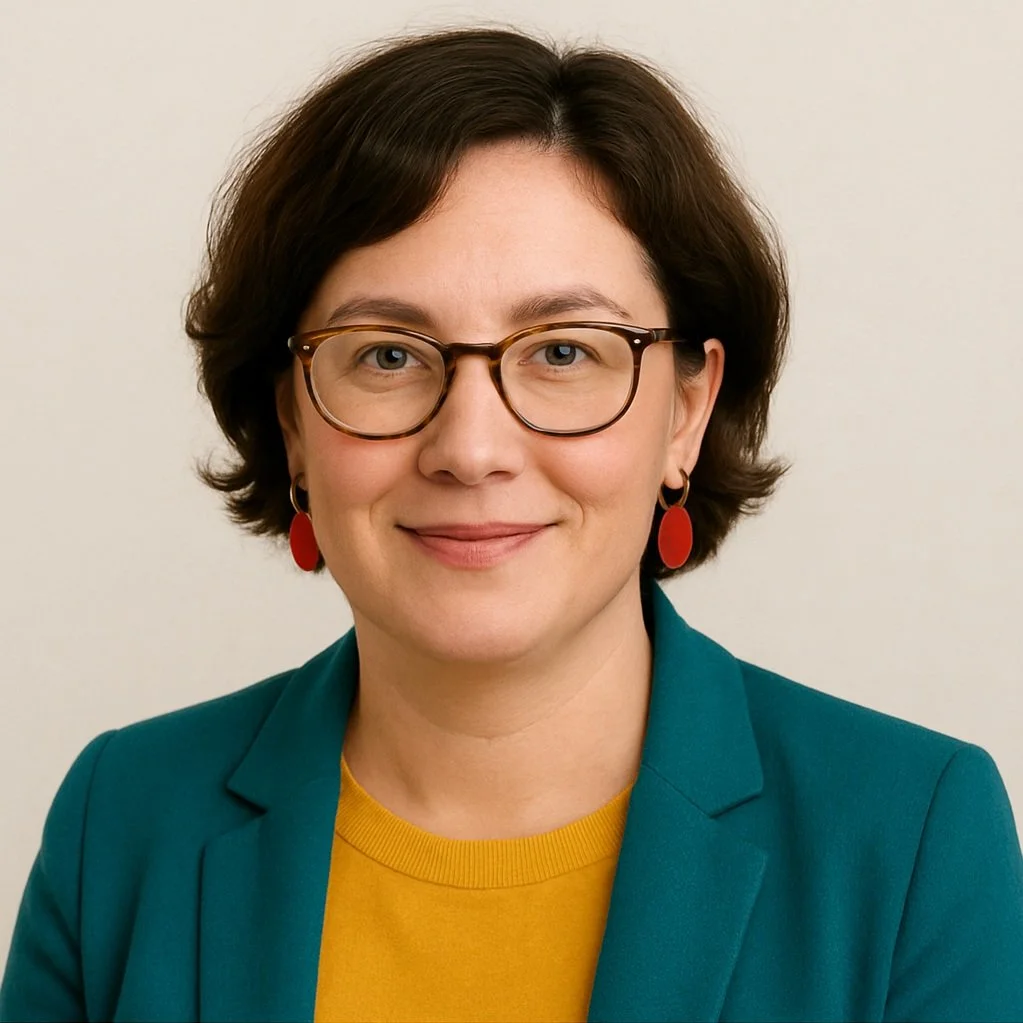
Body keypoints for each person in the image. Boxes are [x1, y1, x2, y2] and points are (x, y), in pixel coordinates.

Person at [2, 25, 1022, 1023]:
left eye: (564, 352)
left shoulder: (912, 838)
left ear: (686, 411)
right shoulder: (120, 822)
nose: (471, 447)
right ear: (292, 423)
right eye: (388, 355)